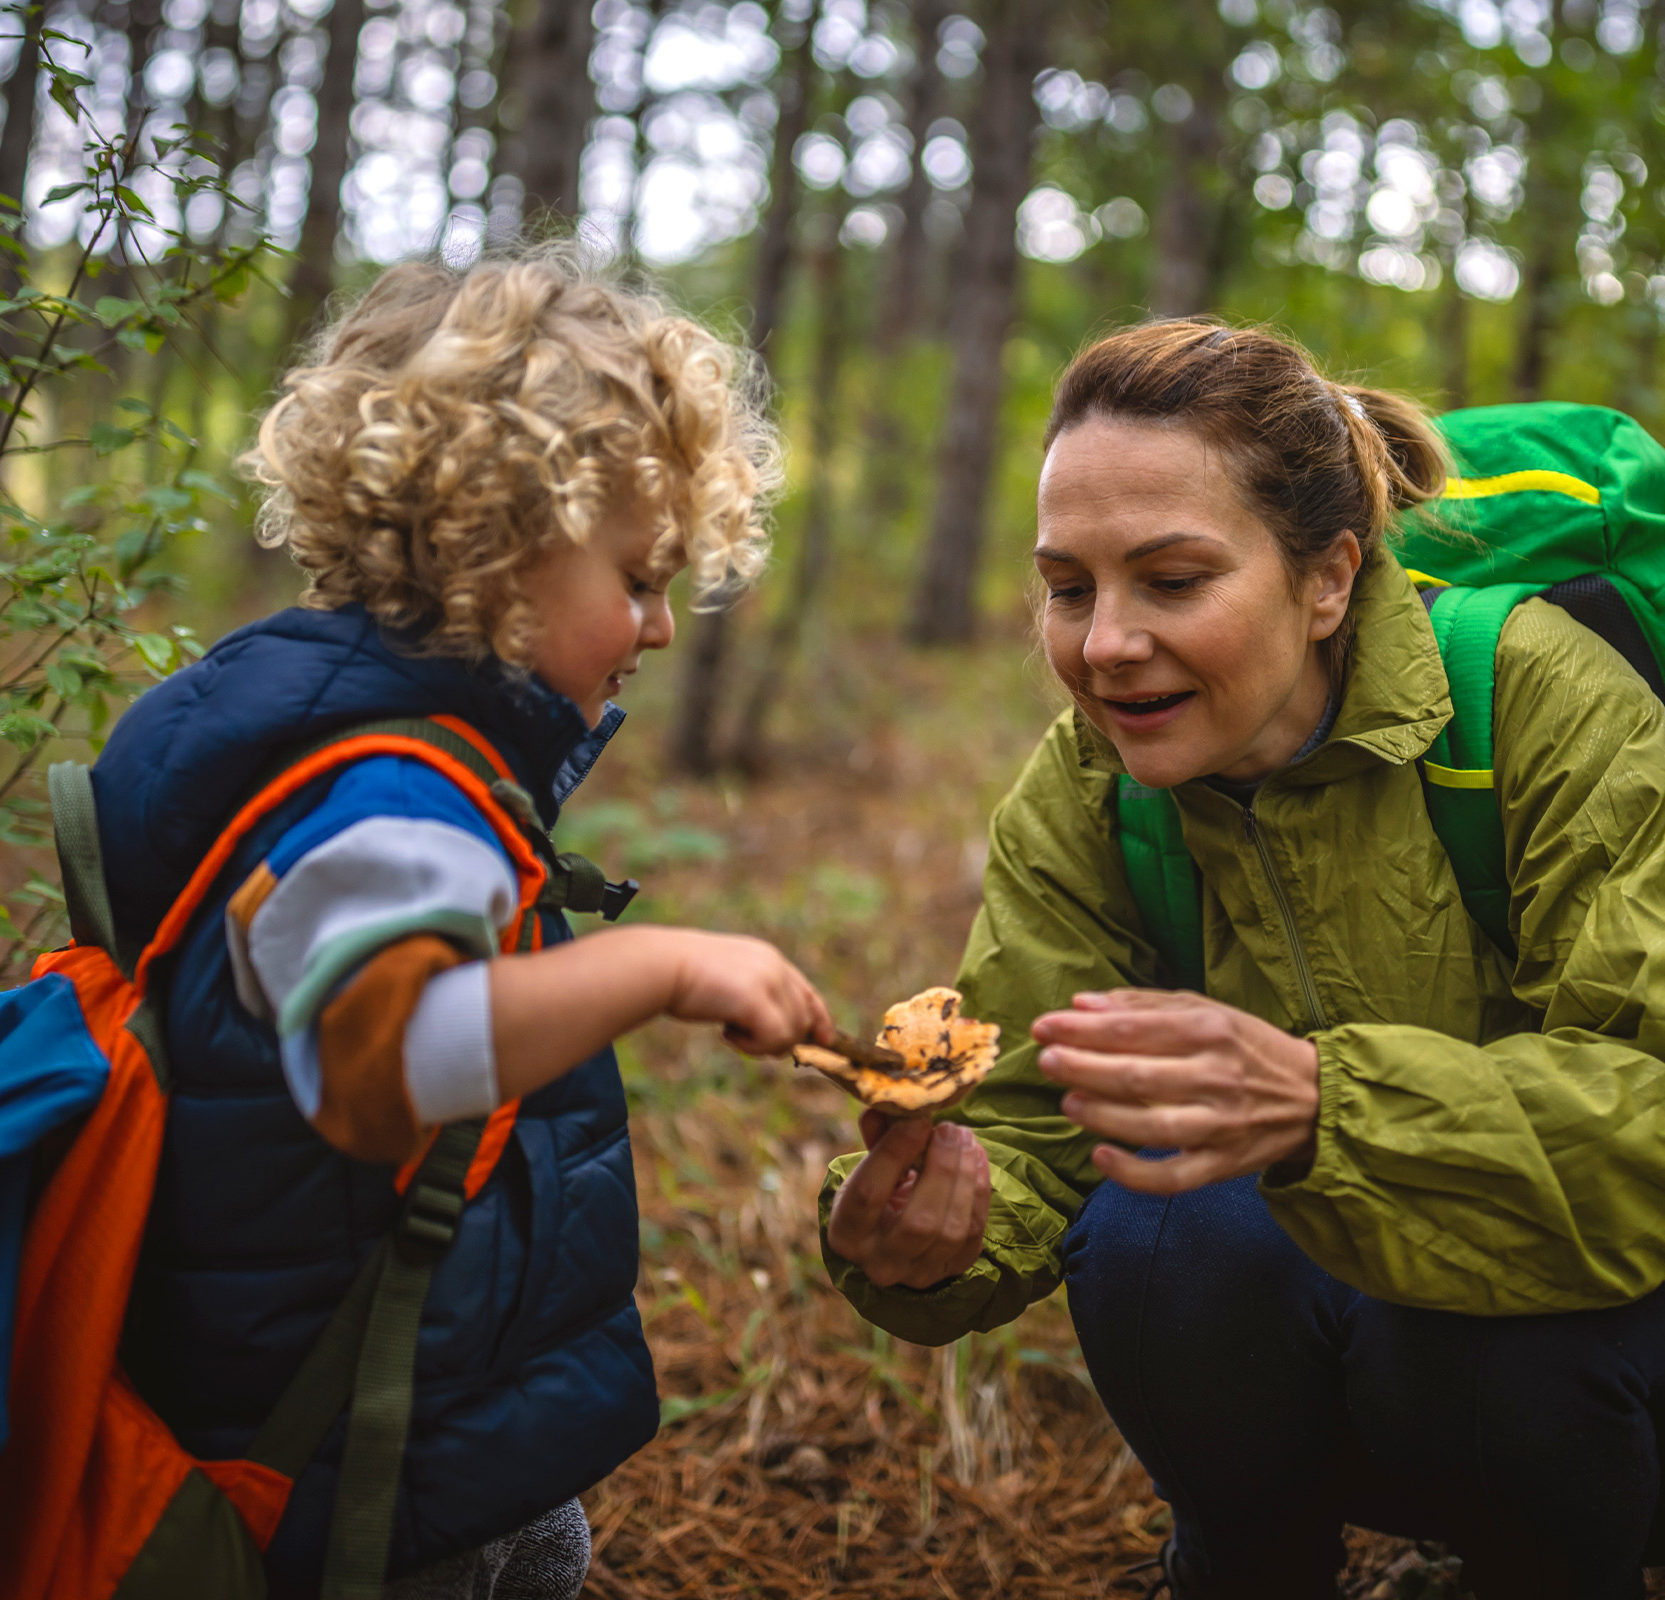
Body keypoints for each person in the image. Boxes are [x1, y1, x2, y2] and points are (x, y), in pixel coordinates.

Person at [821, 320, 1665, 1599]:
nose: (1104, 644)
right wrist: (929, 1231)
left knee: (1481, 1342)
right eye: (1068, 586)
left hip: (1590, 1342)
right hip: (1374, 1348)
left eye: (1170, 580)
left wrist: (1324, 1105)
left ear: (1328, 579)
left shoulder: (1536, 696)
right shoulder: (1096, 782)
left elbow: (1647, 1108)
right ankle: (1243, 1560)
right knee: (1163, 1227)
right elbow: (1035, 1122)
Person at [90, 252, 832, 1599]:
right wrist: (656, 964)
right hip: (342, 1442)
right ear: (499, 538)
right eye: (640, 575)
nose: (661, 627)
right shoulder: (394, 795)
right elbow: (376, 1072)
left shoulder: (308, 719)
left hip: (380, 1391)